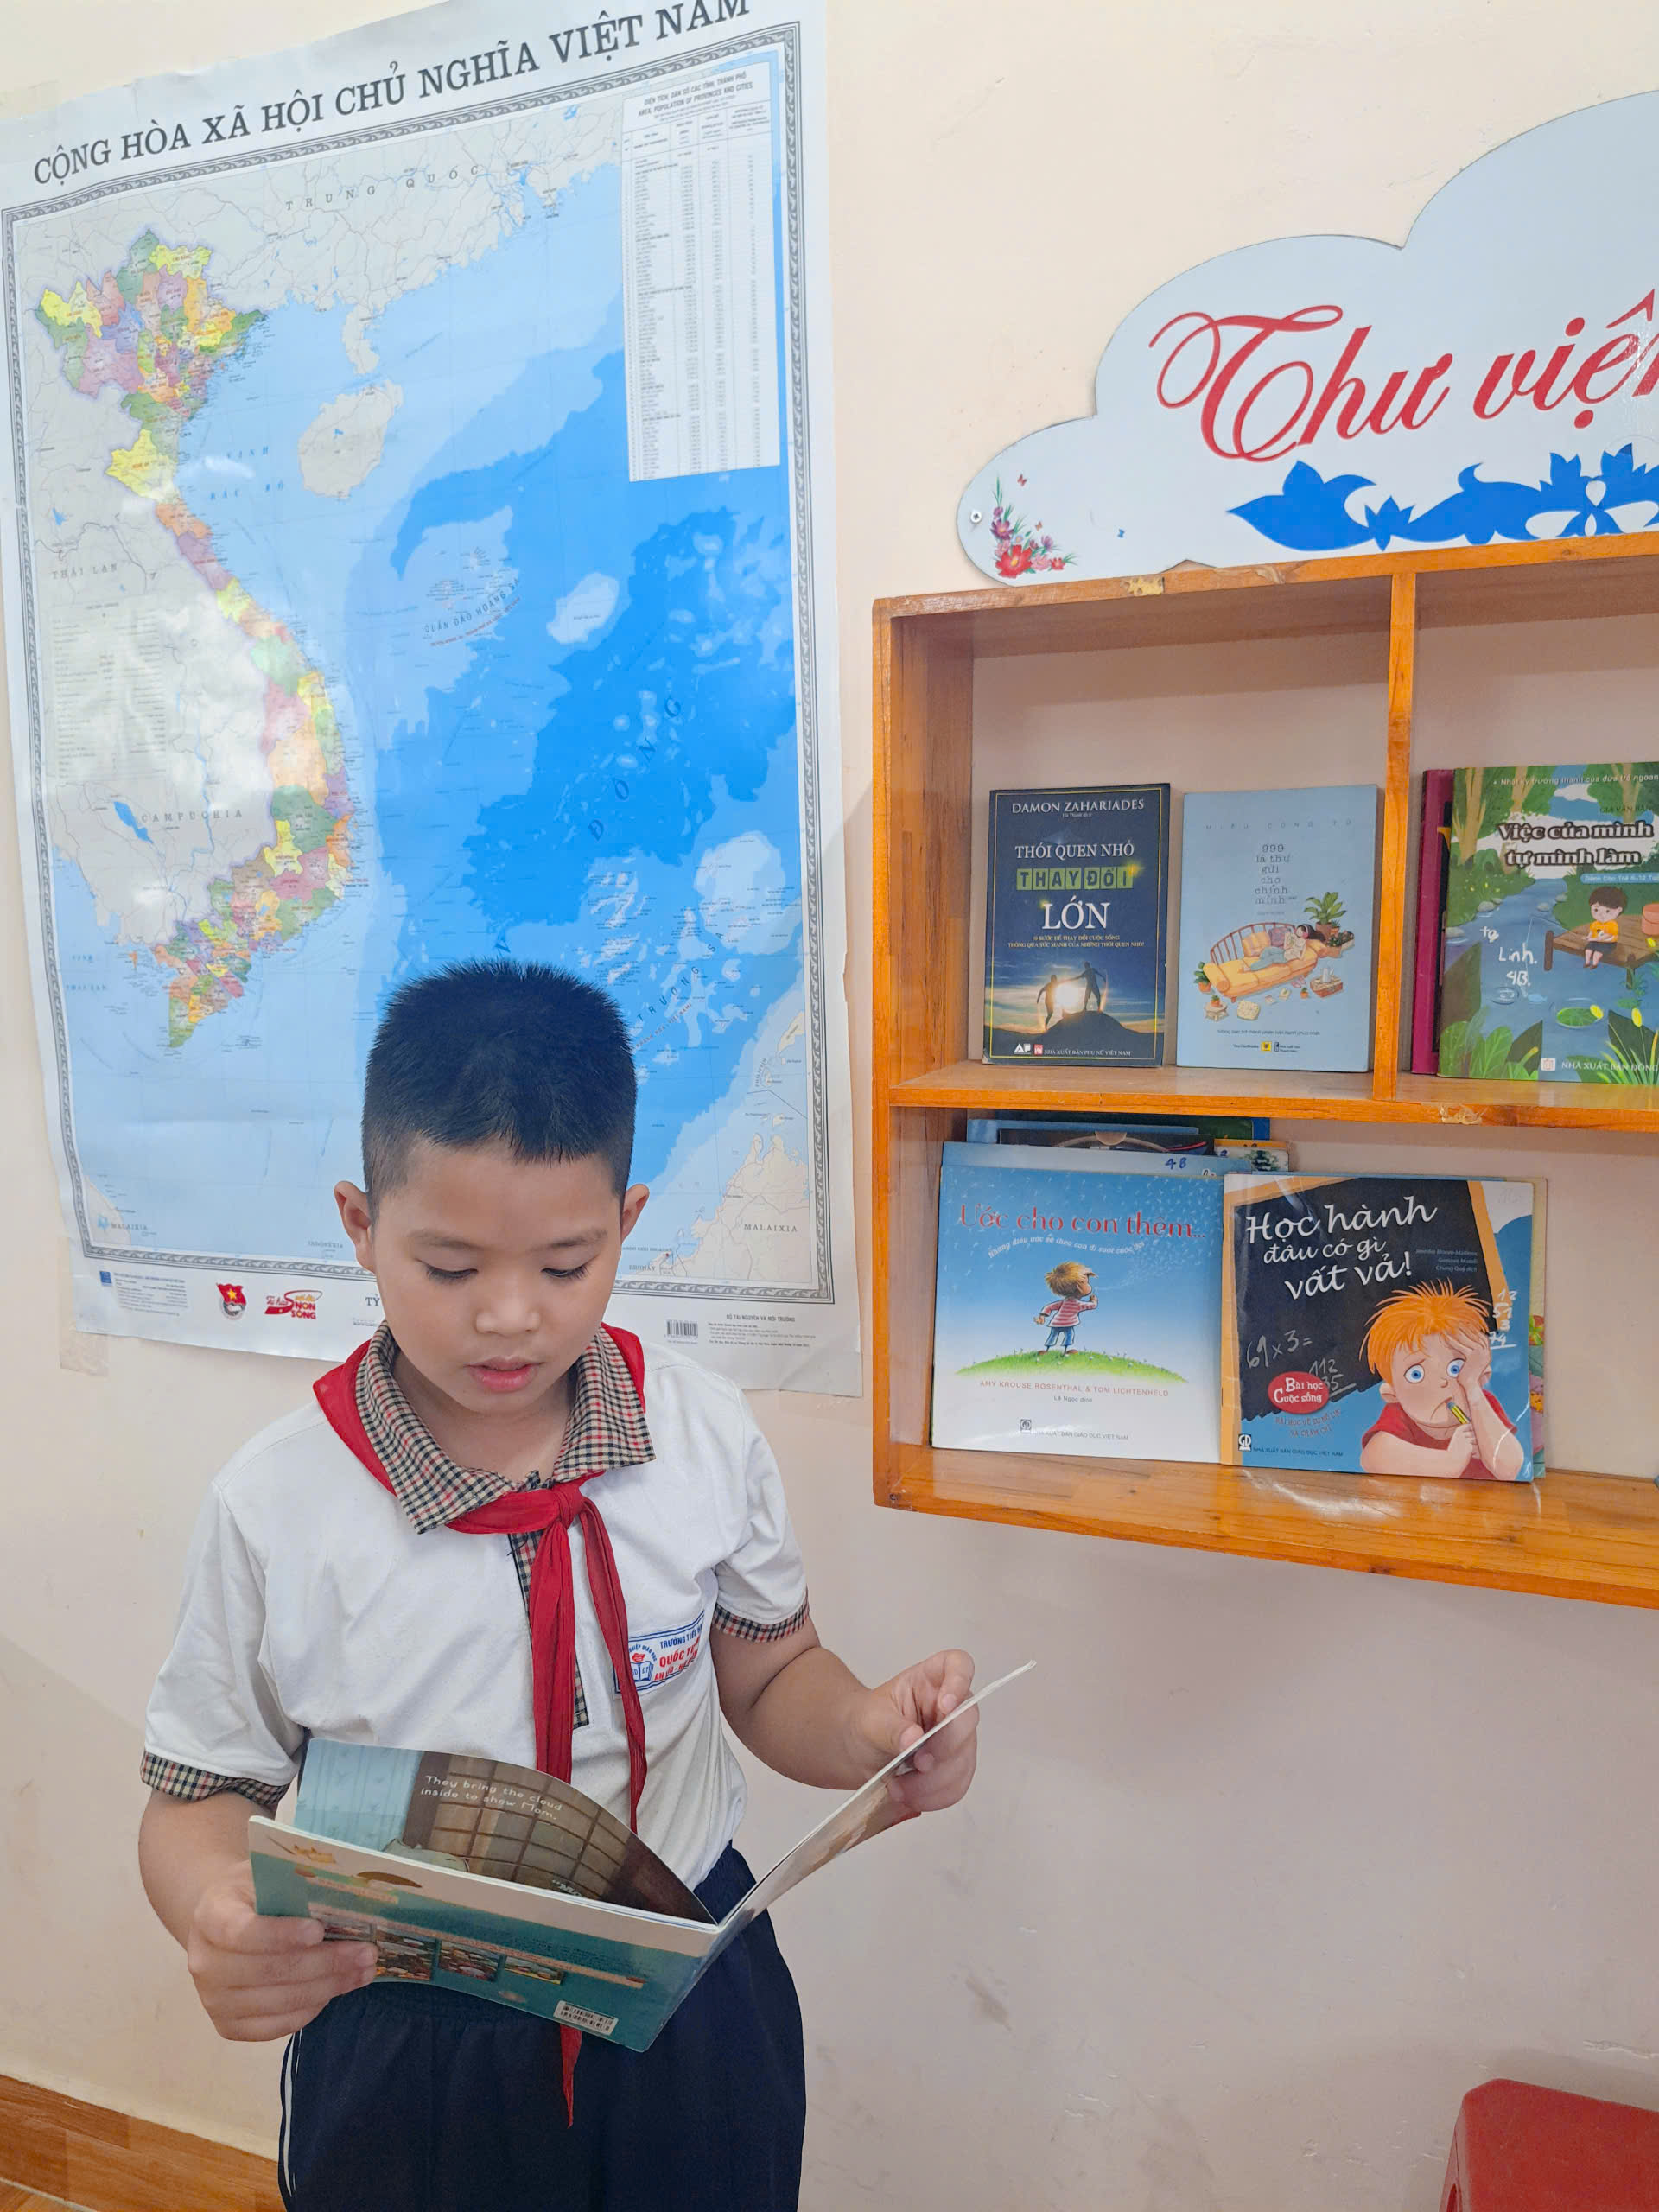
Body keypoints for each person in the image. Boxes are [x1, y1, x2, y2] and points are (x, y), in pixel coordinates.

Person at [137, 962, 978, 2212]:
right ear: (360, 1224)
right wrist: (213, 1906)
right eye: (450, 1267)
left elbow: (770, 1672)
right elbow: (198, 1795)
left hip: (689, 1981)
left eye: (567, 1263)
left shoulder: (701, 1433)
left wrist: (866, 1729)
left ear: (627, 1223)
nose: (510, 1317)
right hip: (410, 2020)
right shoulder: (277, 1505)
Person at [1357, 1281, 1524, 1481]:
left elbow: (1510, 1468)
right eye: (1416, 1374)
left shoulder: (1481, 1405)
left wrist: (1472, 1387)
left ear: (1482, 1375)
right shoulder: (1401, 1414)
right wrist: (1450, 1461)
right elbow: (1373, 1458)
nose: (1443, 1382)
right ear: (1391, 1394)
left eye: (1456, 1368)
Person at [1584, 886, 1625, 967]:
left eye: (1607, 911)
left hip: (1608, 943)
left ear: (1618, 910)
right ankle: (1587, 963)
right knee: (1588, 951)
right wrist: (1588, 937)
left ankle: (1594, 964)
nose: (1600, 915)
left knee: (1597, 953)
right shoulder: (1595, 923)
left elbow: (1607, 935)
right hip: (1595, 941)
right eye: (1596, 910)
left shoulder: (1612, 925)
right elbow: (1592, 931)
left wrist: (1595, 939)